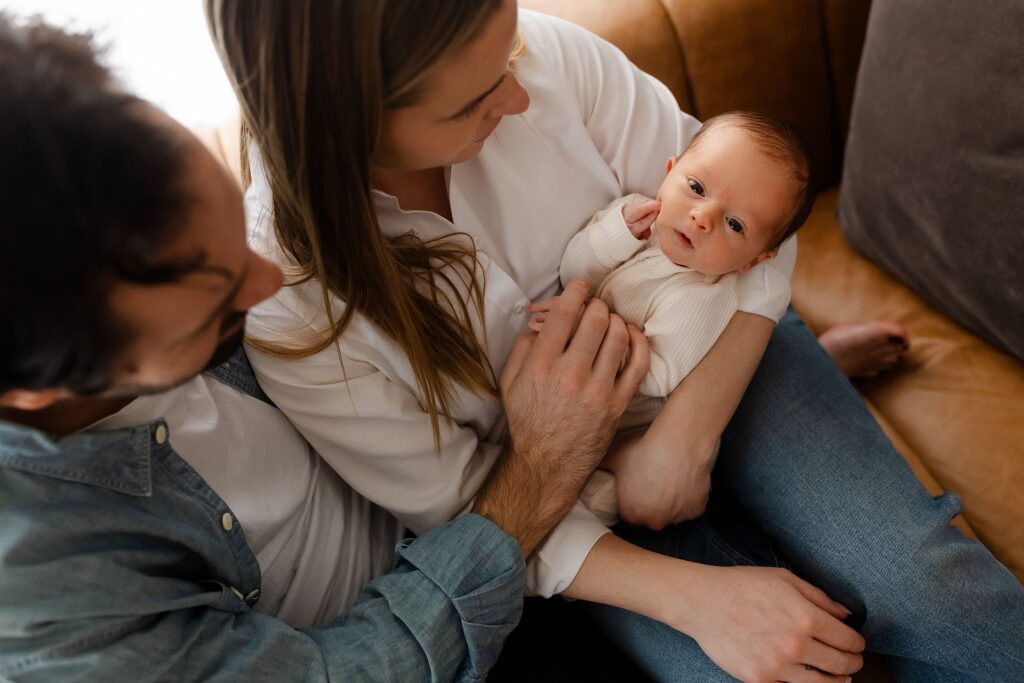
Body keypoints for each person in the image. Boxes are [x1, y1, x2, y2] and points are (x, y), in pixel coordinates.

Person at [209, 0, 1024, 681]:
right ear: (343, 125)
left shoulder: (547, 59)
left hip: (719, 351)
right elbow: (473, 514)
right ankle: (812, 382)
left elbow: (764, 214)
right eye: (472, 102)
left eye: (511, 50)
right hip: (565, 506)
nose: (522, 98)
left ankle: (802, 371)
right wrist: (698, 599)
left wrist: (690, 431)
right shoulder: (291, 301)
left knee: (921, 584)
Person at [0, 15, 652, 681]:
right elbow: (343, 671)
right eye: (215, 300)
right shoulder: (51, 607)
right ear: (36, 389)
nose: (269, 279)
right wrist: (538, 473)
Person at [540, 111, 814, 524]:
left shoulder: (703, 297)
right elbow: (573, 272)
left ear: (756, 259)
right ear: (670, 171)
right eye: (697, 187)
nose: (703, 217)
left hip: (633, 428)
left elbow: (657, 375)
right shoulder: (636, 219)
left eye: (735, 224)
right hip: (575, 389)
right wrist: (615, 235)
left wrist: (583, 328)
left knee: (594, 503)